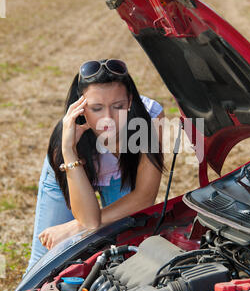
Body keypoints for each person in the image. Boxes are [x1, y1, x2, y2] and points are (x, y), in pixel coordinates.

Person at [27, 59, 165, 271]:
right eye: (97, 108)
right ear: (81, 108)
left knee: (124, 253)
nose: (108, 118)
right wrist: (69, 151)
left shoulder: (151, 118)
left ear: (129, 101)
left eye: (117, 106)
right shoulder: (64, 141)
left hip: (120, 176)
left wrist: (73, 228)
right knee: (44, 264)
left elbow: (144, 197)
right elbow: (91, 220)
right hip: (70, 171)